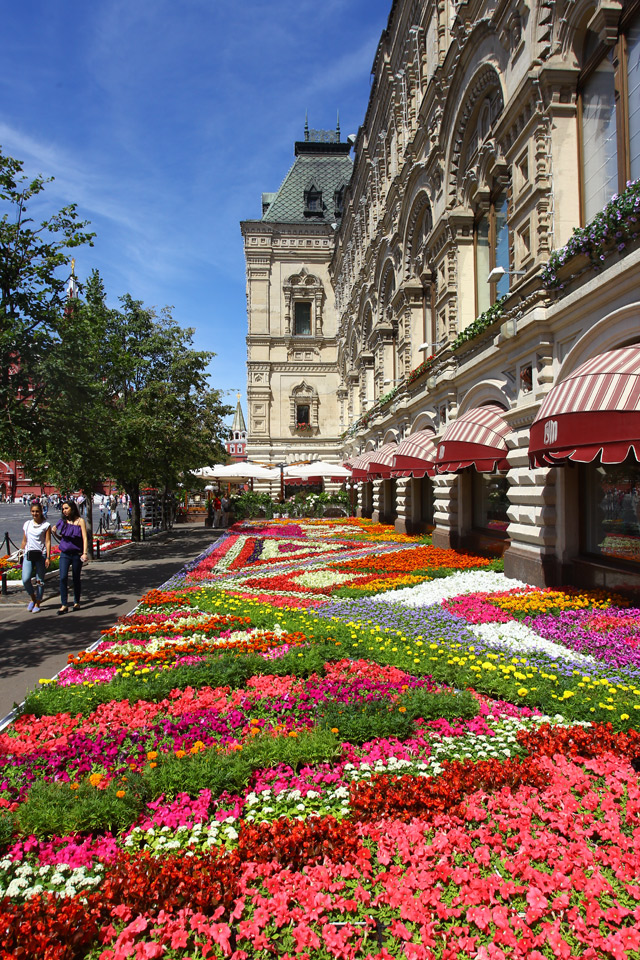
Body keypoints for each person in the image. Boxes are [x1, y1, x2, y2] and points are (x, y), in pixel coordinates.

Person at [54, 499, 89, 614]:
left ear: (72, 508)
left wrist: (84, 553)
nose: (64, 511)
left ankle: (76, 602)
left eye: (66, 508)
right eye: (63, 509)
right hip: (65, 554)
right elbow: (62, 537)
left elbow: (84, 538)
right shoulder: (62, 522)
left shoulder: (80, 521)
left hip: (76, 554)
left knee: (76, 578)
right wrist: (54, 532)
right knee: (63, 577)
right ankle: (64, 604)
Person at [20, 500, 51, 613]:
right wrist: (20, 552)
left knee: (40, 580)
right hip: (28, 554)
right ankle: (33, 598)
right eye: (33, 511)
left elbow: (48, 542)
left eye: (37, 511)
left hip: (41, 555)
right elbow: (24, 540)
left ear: (41, 511)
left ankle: (38, 602)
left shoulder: (46, 525)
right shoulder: (27, 524)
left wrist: (48, 557)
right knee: (25, 579)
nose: (35, 513)